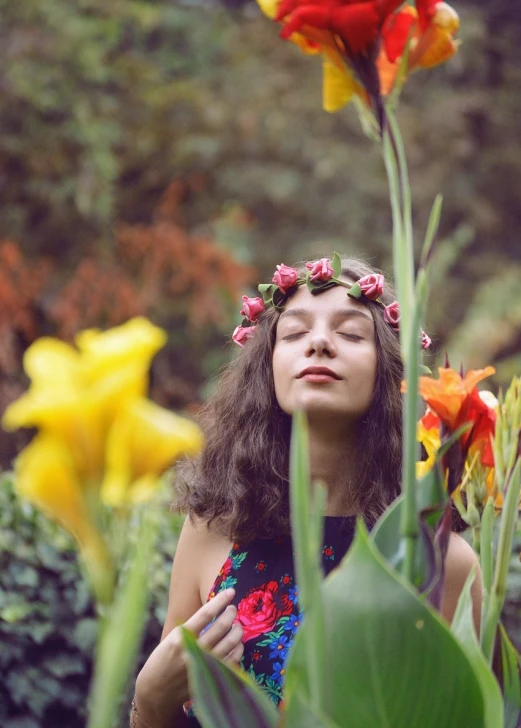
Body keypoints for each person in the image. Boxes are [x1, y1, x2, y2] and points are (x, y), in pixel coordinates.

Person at [130, 256, 482, 728]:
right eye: (294, 334)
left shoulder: (440, 560)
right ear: (267, 367)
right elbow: (167, 705)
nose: (318, 342)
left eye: (352, 334)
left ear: (392, 372)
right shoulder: (214, 530)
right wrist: (150, 702)